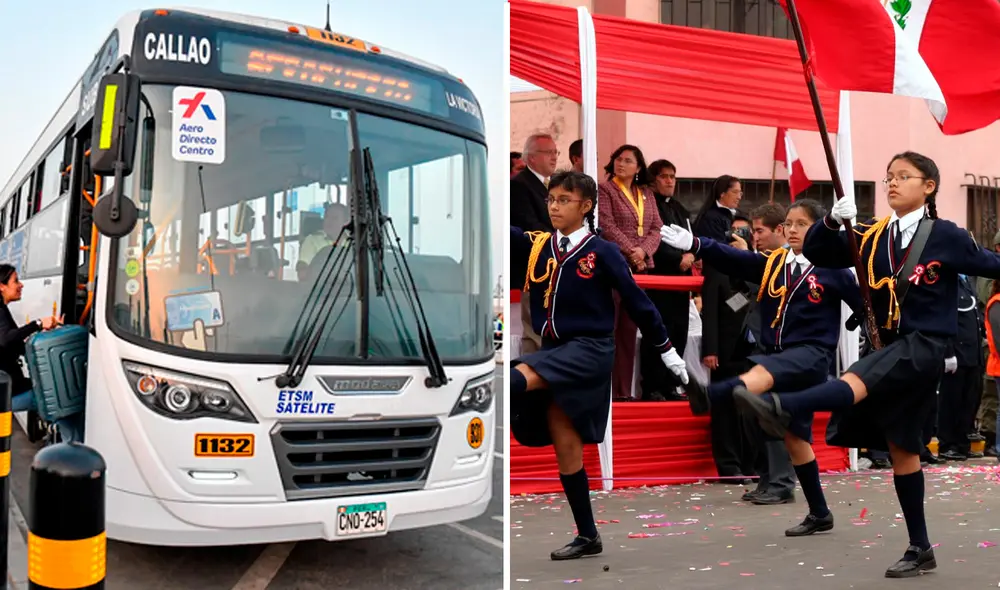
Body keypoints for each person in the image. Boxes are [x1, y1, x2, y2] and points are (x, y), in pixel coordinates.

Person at [737, 151, 1000, 578]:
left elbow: (990, 262)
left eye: (903, 176)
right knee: (903, 449)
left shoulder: (947, 235)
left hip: (926, 345)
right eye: (888, 177)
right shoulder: (875, 236)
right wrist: (829, 222)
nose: (892, 183)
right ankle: (920, 547)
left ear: (929, 186)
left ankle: (788, 405)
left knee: (859, 376)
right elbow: (822, 251)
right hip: (892, 343)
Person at [510, 170, 689, 561]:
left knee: (509, 381)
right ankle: (589, 536)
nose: (554, 206)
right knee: (566, 444)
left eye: (563, 200)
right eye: (551, 199)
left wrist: (667, 349)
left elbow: (639, 303)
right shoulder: (540, 246)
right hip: (554, 349)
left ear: (586, 206)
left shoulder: (602, 251)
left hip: (589, 349)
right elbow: (500, 231)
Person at [663, 199, 861, 531]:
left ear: (819, 229)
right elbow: (734, 258)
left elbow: (864, 304)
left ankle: (711, 396)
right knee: (796, 439)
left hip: (811, 354)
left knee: (757, 374)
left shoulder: (832, 268)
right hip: (777, 352)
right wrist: (698, 244)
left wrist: (866, 321)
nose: (792, 230)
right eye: (789, 224)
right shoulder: (775, 263)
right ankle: (819, 513)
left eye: (802, 224)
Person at [596, 145, 664, 400]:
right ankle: (605, 391)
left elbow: (657, 228)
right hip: (614, 267)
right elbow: (606, 225)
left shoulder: (646, 192)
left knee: (628, 332)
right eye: (618, 159)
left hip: (639, 269)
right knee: (609, 331)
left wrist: (643, 252)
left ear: (638, 167)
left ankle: (623, 391)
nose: (621, 164)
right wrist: (631, 251)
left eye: (627, 161)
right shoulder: (605, 189)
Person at [0, 264, 78, 441]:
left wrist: (45, 335)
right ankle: (68, 448)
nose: (21, 285)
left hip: (11, 387)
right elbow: (5, 339)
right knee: (58, 401)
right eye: (16, 281)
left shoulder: (3, 310)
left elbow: (13, 345)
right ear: (1, 286)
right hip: (7, 393)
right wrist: (37, 324)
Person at [641, 159, 692, 401]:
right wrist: (678, 259)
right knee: (658, 330)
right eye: (664, 176)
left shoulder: (680, 208)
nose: (670, 180)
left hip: (682, 281)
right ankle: (652, 385)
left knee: (679, 330)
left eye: (673, 176)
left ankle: (672, 384)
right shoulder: (649, 206)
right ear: (653, 180)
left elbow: (692, 238)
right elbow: (653, 239)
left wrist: (692, 254)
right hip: (660, 277)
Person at [512, 133, 559, 356]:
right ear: (531, 158)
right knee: (535, 332)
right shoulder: (520, 186)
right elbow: (530, 226)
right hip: (536, 268)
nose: (554, 157)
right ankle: (531, 383)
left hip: (552, 265)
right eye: (548, 152)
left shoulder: (550, 186)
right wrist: (563, 241)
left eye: (555, 152)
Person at [937, 273, 984, 461]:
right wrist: (948, 353)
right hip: (957, 354)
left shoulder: (966, 284)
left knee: (969, 402)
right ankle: (948, 444)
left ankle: (962, 443)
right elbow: (944, 323)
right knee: (951, 403)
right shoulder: (946, 284)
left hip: (973, 355)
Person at [297, 202, 349, 279]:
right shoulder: (312, 240)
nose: (329, 221)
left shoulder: (354, 241)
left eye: (334, 218)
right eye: (326, 217)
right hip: (321, 288)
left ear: (346, 222)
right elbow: (302, 274)